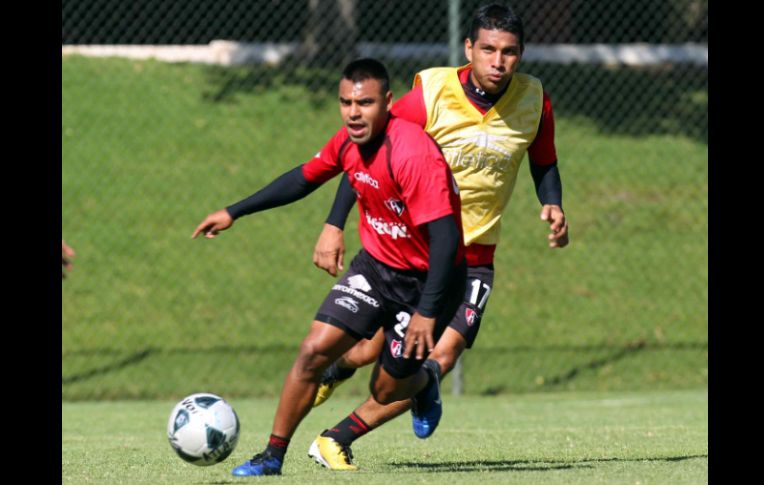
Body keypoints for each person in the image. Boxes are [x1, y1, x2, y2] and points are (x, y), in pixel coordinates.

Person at [307, 3, 570, 470]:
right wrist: (333, 223)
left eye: (509, 52)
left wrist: (552, 202)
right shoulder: (432, 92)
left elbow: (543, 160)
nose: (498, 61)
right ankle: (341, 366)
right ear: (469, 48)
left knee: (437, 357)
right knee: (377, 347)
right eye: (488, 48)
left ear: (521, 54)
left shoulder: (535, 100)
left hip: (476, 255)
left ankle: (336, 438)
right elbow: (365, 149)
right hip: (416, 251)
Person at [191, 58, 467, 477]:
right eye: (346, 103)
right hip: (376, 268)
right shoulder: (349, 142)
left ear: (388, 102)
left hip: (429, 282)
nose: (354, 113)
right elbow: (303, 178)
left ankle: (424, 382)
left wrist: (427, 312)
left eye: (365, 103)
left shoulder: (413, 154)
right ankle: (272, 457)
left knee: (387, 387)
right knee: (312, 351)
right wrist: (235, 211)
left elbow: (447, 242)